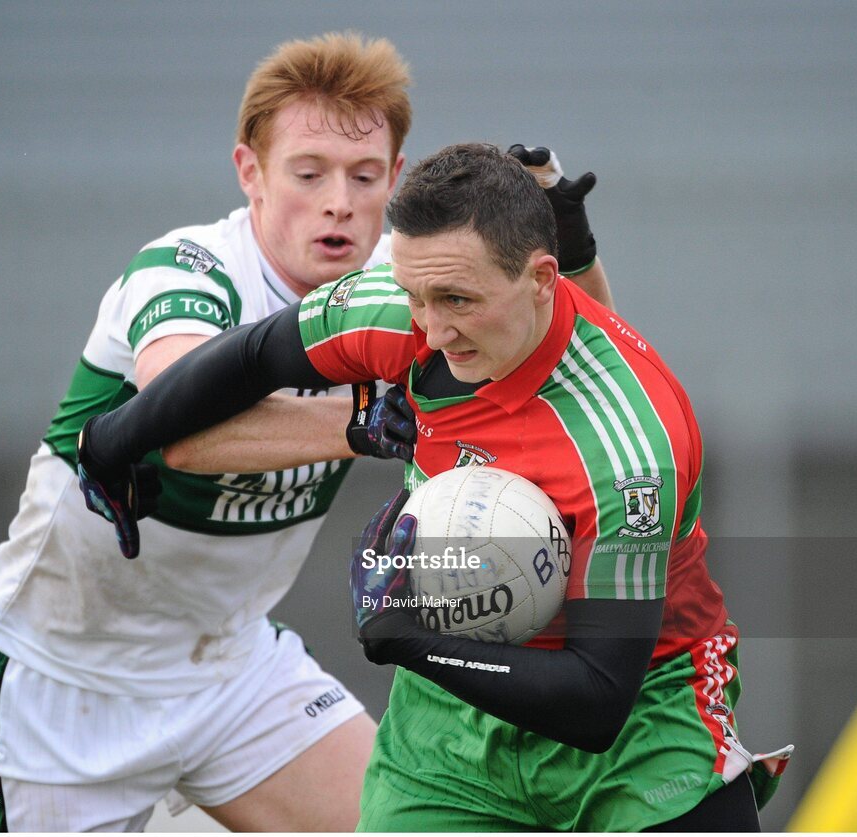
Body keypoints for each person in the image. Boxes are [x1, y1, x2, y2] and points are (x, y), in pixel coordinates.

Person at [0, 31, 612, 832]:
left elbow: (586, 378)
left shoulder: (407, 295)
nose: (338, 200)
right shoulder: (187, 269)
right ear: (250, 173)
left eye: (364, 176)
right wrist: (359, 420)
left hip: (233, 668)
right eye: (309, 173)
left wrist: (573, 252)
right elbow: (183, 424)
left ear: (395, 182)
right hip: (69, 675)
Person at [76, 143, 792, 831]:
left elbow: (597, 699)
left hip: (640, 712)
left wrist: (410, 640)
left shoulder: (626, 446)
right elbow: (259, 355)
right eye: (417, 294)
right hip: (451, 710)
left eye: (456, 298)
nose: (433, 329)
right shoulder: (404, 307)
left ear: (543, 279)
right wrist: (111, 441)